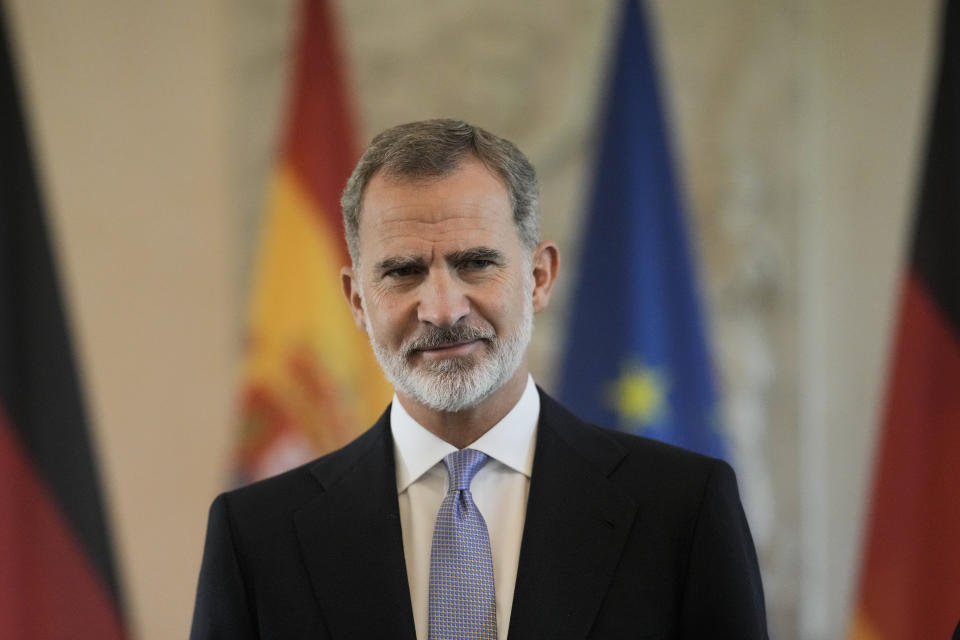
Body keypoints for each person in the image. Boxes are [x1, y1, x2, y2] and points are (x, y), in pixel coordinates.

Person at [190, 119, 768, 639]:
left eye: (475, 263)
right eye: (402, 271)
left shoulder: (682, 512)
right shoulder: (255, 539)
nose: (441, 309)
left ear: (539, 278)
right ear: (357, 300)